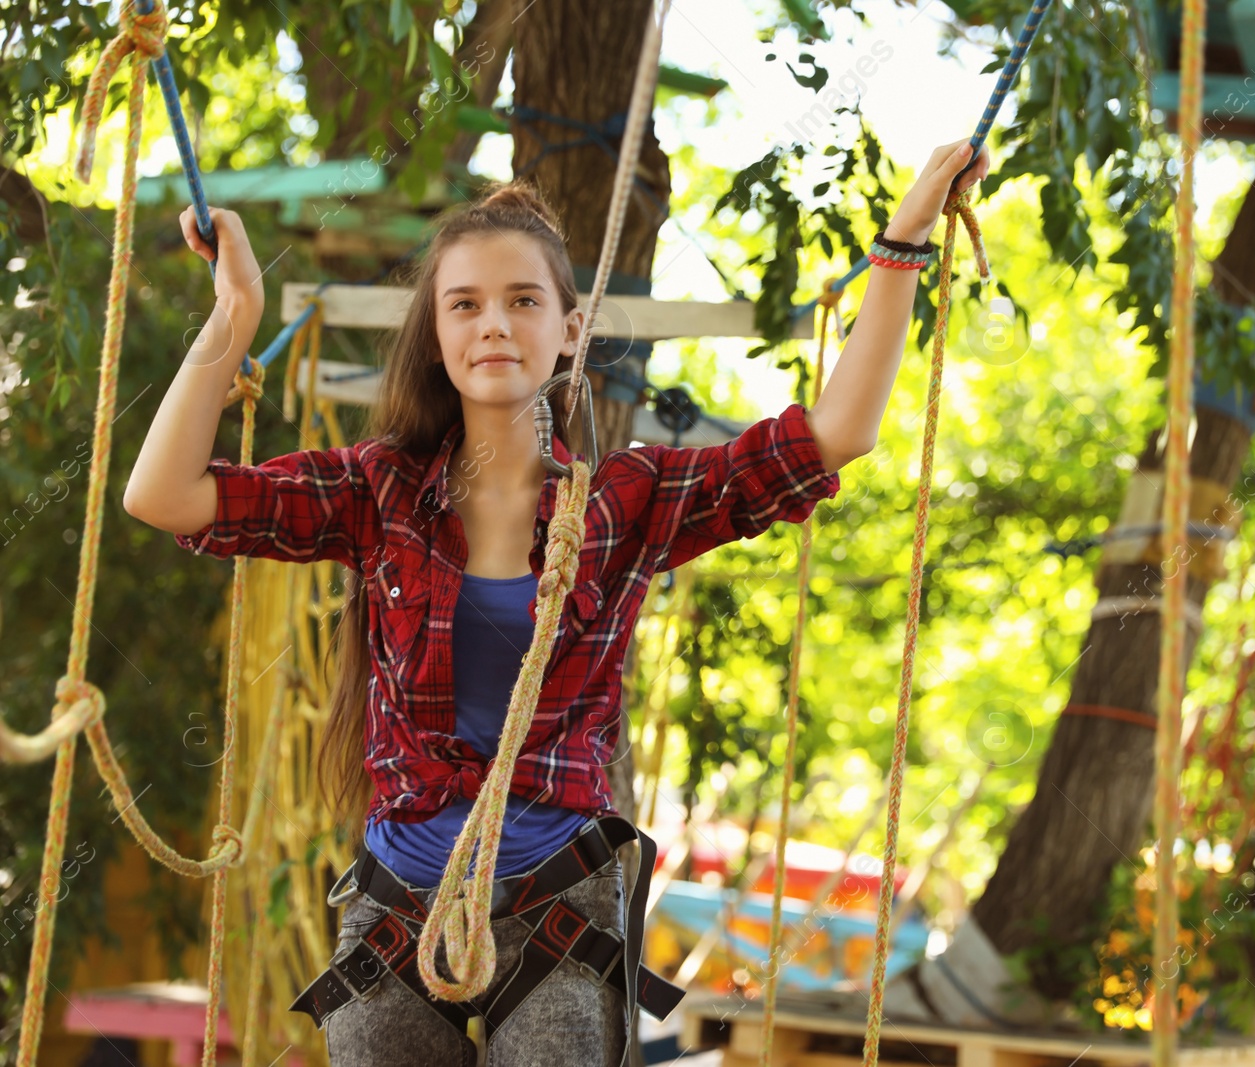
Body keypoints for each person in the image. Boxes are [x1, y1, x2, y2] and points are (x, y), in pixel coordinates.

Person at [123, 136, 990, 1067]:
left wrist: (902, 243)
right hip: (397, 909)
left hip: (558, 907)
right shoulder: (378, 491)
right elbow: (164, 495)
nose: (493, 323)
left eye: (523, 301)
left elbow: (833, 436)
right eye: (466, 304)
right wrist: (235, 315)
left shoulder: (627, 500)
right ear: (440, 334)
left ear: (570, 330)